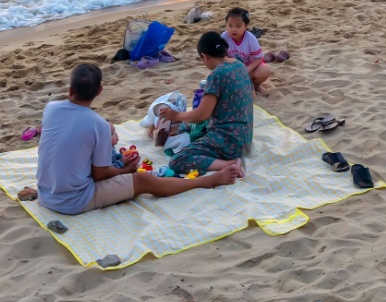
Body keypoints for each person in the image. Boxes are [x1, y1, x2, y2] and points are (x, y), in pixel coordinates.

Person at [35, 63, 241, 214]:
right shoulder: (97, 125)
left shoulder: (51, 109)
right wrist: (126, 170)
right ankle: (207, 181)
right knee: (144, 180)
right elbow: (100, 175)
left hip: (46, 192)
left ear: (69, 90)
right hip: (73, 201)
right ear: (99, 91)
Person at [157, 32, 256, 172]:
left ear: (204, 56)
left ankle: (230, 164)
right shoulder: (239, 65)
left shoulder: (216, 75)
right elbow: (252, 95)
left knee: (178, 161)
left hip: (229, 142)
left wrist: (175, 116)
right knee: (196, 128)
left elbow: (201, 115)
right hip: (246, 138)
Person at [222, 7, 270, 92]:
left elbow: (259, 58)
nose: (233, 29)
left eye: (238, 26)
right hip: (233, 70)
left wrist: (247, 69)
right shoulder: (224, 37)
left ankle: (255, 86)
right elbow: (220, 57)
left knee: (265, 70)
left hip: (250, 69)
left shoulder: (250, 38)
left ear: (245, 26)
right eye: (230, 26)